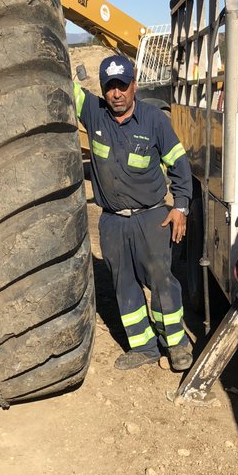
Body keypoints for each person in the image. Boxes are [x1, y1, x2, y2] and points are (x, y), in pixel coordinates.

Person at [74, 54, 194, 371]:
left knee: (161, 280)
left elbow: (180, 164)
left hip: (152, 217)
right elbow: (66, 89)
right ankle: (144, 347)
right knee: (123, 283)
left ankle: (177, 345)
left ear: (134, 85)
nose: (117, 93)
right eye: (110, 87)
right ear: (103, 89)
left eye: (122, 86)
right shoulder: (94, 113)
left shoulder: (154, 120)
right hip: (112, 221)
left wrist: (180, 206)